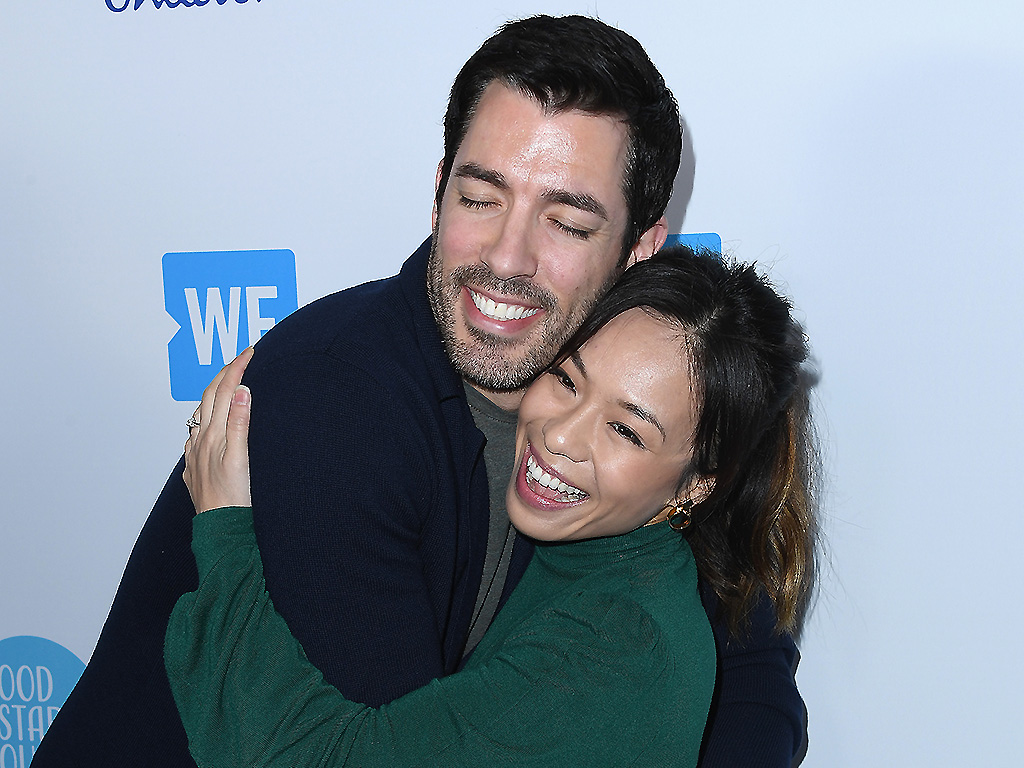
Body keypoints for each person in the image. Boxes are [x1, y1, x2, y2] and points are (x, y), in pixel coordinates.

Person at [34, 15, 807, 768]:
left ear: (639, 249)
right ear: (439, 192)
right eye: (481, 198)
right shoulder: (337, 400)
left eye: (567, 223)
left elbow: (749, 666)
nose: (508, 257)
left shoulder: (638, 405)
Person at [165, 247, 818, 767]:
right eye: (566, 379)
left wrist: (225, 537)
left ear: (694, 486)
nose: (562, 435)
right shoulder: (601, 561)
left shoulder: (612, 649)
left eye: (626, 429)